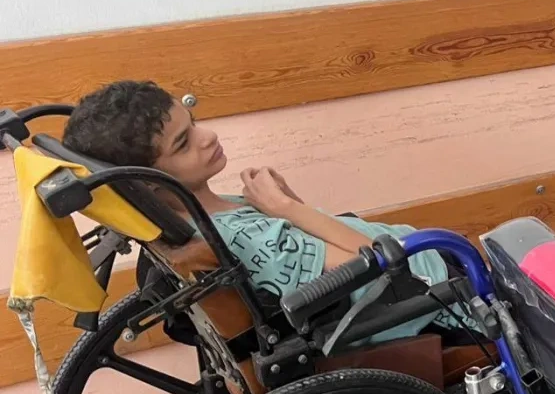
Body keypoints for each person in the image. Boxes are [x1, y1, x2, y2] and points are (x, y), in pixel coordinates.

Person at [62, 80, 474, 344]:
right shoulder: (248, 240)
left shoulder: (205, 220)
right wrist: (285, 207)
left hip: (420, 262)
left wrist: (286, 205)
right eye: (184, 143)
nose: (208, 137)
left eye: (195, 122)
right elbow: (383, 267)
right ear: (149, 183)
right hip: (434, 291)